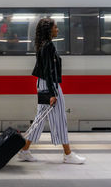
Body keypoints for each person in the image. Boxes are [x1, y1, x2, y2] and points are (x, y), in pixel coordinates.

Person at [17, 18, 86, 164]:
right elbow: (50, 72)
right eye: (55, 27)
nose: (57, 30)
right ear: (49, 29)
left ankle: (24, 150)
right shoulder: (48, 46)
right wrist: (53, 93)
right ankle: (68, 154)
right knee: (60, 118)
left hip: (43, 84)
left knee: (40, 119)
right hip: (49, 85)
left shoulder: (42, 45)